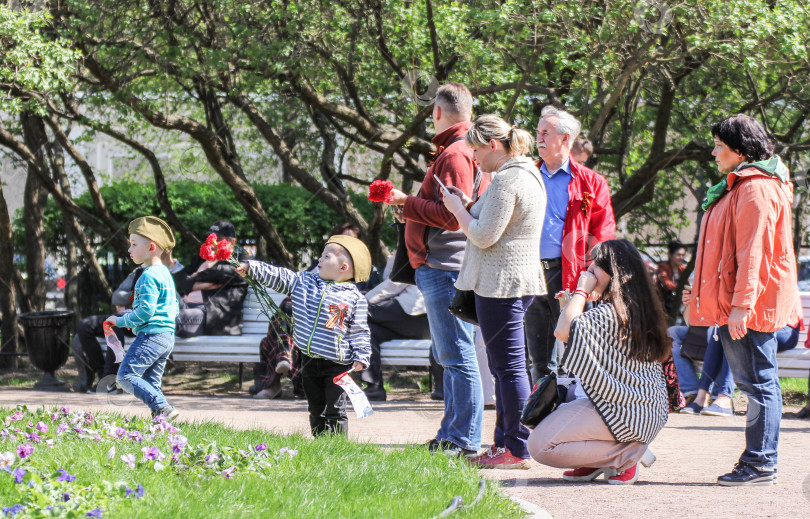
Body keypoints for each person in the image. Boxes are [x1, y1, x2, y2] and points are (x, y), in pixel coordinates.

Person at [688, 114, 798, 486]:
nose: (714, 152)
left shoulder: (756, 188)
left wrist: (741, 305)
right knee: (755, 383)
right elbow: (726, 251)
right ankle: (758, 460)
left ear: (740, 150)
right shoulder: (740, 186)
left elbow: (754, 252)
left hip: (750, 306)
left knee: (759, 384)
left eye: (720, 145)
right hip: (740, 303)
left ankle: (761, 463)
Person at [385, 82, 489, 457]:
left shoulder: (456, 154)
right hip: (445, 265)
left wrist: (406, 202)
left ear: (437, 113)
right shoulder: (464, 149)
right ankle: (451, 434)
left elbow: (450, 218)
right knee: (452, 357)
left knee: (457, 356)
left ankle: (464, 440)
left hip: (445, 265)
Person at [441, 115, 545, 469]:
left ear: (493, 145)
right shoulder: (525, 173)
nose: (472, 158)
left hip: (501, 284)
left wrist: (457, 210)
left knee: (509, 369)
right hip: (512, 282)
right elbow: (494, 222)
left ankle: (515, 447)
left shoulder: (507, 180)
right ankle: (506, 445)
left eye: (474, 150)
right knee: (507, 369)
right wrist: (468, 202)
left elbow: (484, 235)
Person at [528, 239, 670, 485]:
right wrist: (569, 305)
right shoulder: (635, 310)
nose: (588, 271)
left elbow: (564, 332)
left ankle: (626, 456)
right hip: (643, 412)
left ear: (616, 274)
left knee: (540, 446)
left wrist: (582, 290)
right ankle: (597, 459)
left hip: (624, 413)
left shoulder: (608, 313)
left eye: (595, 267)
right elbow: (577, 336)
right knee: (550, 426)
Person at [238, 235, 372, 436]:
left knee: (336, 409)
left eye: (326, 257)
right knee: (315, 407)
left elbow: (360, 331)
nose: (319, 259)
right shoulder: (304, 283)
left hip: (338, 364)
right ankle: (319, 441)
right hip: (308, 360)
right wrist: (251, 267)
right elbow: (280, 275)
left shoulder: (355, 299)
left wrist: (361, 356)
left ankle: (337, 445)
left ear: (343, 267)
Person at [526, 106, 616, 382]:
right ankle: (538, 416)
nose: (538, 138)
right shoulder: (526, 174)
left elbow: (603, 233)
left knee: (575, 351)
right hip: (528, 272)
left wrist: (594, 277)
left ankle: (572, 414)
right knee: (537, 355)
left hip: (570, 277)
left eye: (545, 132)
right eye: (537, 132)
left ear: (565, 139)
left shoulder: (591, 182)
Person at [107, 216, 180, 420]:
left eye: (133, 244)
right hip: (166, 336)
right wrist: (140, 323)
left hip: (151, 336)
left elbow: (146, 311)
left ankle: (163, 408)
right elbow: (173, 307)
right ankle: (160, 422)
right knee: (151, 382)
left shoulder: (147, 276)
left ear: (151, 247)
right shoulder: (165, 273)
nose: (129, 249)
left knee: (125, 376)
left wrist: (122, 321)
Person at [361, 256, 430, 402]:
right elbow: (389, 277)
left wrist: (362, 300)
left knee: (357, 311)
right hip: (426, 325)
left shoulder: (416, 250)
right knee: (368, 330)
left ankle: (372, 387)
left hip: (413, 312)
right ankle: (373, 388)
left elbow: (393, 284)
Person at [174, 221, 248, 336]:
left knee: (174, 319)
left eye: (217, 239)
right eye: (209, 239)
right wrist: (199, 285)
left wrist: (195, 277)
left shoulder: (241, 259)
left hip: (210, 314)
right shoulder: (201, 259)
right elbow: (178, 280)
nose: (212, 244)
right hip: (185, 305)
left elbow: (223, 273)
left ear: (232, 242)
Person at [657, 240, 687, 319]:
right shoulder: (663, 267)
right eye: (678, 255)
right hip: (664, 305)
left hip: (679, 304)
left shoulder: (683, 269)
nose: (681, 258)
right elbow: (666, 284)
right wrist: (680, 287)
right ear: (671, 255)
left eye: (683, 255)